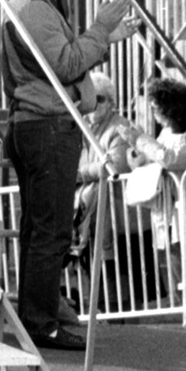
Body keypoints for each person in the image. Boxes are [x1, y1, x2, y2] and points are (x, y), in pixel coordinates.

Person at [2, 0, 135, 350]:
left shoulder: (41, 2)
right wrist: (99, 29)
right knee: (51, 227)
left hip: (43, 124)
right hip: (45, 126)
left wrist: (101, 40)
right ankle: (40, 320)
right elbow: (67, 63)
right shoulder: (34, 6)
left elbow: (69, 56)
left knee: (46, 226)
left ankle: (42, 309)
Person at [128, 77, 186, 318]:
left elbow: (172, 158)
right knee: (180, 265)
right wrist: (138, 155)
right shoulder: (168, 130)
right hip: (174, 207)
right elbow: (159, 155)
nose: (154, 113)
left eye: (156, 107)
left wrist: (141, 140)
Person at [73, 71, 144, 310]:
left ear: (111, 102)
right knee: (90, 265)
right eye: (90, 98)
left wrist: (80, 174)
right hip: (91, 210)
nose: (94, 104)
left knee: (114, 270)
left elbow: (115, 165)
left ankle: (115, 318)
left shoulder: (120, 127)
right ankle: (98, 311)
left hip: (117, 212)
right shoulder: (82, 127)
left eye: (100, 98)